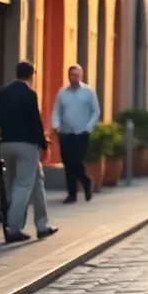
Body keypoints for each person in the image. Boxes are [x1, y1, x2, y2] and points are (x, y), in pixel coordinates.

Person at [0, 61, 59, 243]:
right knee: (23, 185)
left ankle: (42, 225)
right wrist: (43, 144)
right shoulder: (29, 94)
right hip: (26, 145)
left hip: (6, 143)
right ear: (31, 75)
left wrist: (6, 124)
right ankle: (13, 228)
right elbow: (35, 122)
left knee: (35, 180)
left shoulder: (4, 91)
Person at [51, 64, 101, 203]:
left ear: (81, 76)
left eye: (77, 75)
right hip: (65, 133)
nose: (74, 77)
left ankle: (86, 181)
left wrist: (89, 127)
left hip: (81, 132)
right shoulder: (62, 92)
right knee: (68, 163)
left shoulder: (88, 92)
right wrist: (56, 126)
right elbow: (56, 111)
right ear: (68, 76)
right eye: (72, 75)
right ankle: (72, 193)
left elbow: (95, 111)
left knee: (76, 161)